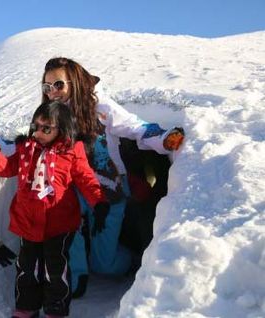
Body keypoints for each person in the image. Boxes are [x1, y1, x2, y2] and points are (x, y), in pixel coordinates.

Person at [40, 57, 185, 297]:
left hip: (107, 191)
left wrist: (164, 138)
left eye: (58, 85)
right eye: (47, 87)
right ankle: (74, 277)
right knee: (67, 229)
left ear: (74, 82)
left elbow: (135, 127)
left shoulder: (100, 109)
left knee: (105, 265)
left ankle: (135, 259)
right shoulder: (48, 116)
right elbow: (30, 144)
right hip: (71, 191)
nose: (53, 92)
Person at [0, 101, 109, 318]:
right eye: (35, 126)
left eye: (46, 128)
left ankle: (55, 309)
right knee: (27, 268)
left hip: (59, 223)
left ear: (62, 128)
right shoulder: (25, 149)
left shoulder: (72, 151)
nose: (38, 132)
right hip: (27, 221)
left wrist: (99, 202)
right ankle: (26, 308)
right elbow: (7, 167)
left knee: (55, 269)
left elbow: (86, 178)